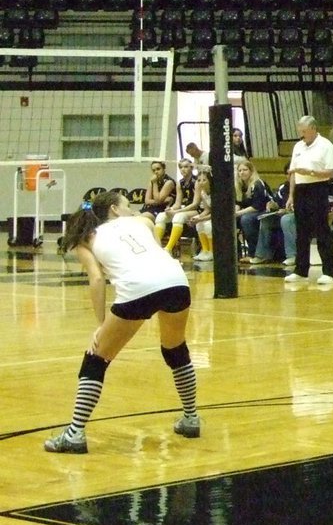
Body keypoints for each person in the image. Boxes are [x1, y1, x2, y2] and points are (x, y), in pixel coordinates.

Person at [44, 190, 201, 453]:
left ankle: (74, 434)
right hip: (176, 281)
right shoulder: (143, 221)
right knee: (175, 349)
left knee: (96, 358)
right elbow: (153, 248)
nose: (132, 209)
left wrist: (101, 324)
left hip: (138, 288)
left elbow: (96, 279)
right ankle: (191, 418)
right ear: (114, 210)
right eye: (127, 205)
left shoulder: (86, 238)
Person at [283, 116, 333, 286]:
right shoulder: (298, 146)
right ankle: (301, 270)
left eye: (304, 131)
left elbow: (331, 172)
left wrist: (312, 172)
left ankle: (329, 271)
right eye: (300, 131)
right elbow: (293, 173)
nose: (301, 135)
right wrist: (291, 195)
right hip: (300, 190)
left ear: (313, 129)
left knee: (322, 229)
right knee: (301, 232)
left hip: (318, 188)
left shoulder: (325, 146)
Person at [155, 158, 201, 255]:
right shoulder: (180, 183)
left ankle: (168, 248)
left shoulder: (197, 181)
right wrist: (170, 209)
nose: (183, 169)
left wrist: (177, 211)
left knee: (178, 216)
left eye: (186, 167)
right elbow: (177, 203)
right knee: (161, 216)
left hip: (197, 210)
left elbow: (195, 204)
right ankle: (156, 247)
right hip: (184, 209)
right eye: (181, 167)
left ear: (191, 168)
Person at [234, 160, 271, 263]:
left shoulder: (257, 184)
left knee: (247, 219)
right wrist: (234, 213)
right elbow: (238, 202)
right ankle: (235, 251)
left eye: (245, 170)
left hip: (264, 211)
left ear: (251, 171)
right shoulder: (239, 185)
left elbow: (257, 206)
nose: (242, 172)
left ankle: (253, 253)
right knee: (231, 220)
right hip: (249, 212)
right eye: (240, 170)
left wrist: (239, 213)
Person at [187, 170, 214, 262]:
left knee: (208, 226)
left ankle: (211, 251)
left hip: (221, 217)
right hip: (210, 215)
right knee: (199, 224)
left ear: (210, 180)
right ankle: (205, 250)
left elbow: (216, 213)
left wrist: (201, 218)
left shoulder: (216, 192)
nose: (201, 182)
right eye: (199, 180)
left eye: (204, 180)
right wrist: (197, 218)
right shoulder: (203, 192)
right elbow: (207, 210)